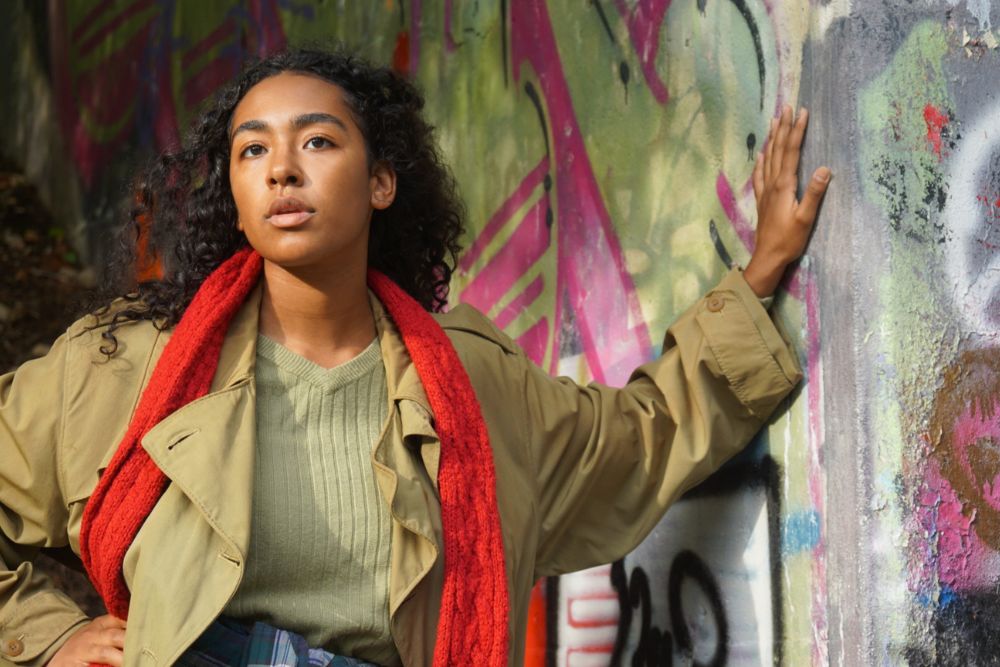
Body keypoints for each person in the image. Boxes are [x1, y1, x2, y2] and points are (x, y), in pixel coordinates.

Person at [0, 48, 829, 667]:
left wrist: (758, 275)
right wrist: (55, 636)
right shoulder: (126, 366)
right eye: (252, 151)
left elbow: (641, 438)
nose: (283, 168)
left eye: (317, 142)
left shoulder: (473, 386)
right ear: (236, 200)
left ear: (381, 183)